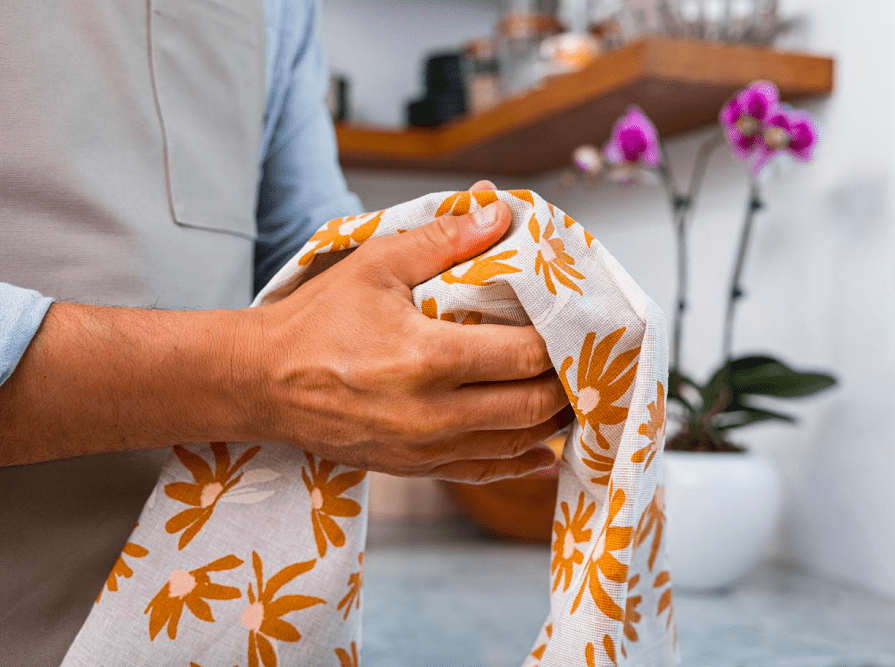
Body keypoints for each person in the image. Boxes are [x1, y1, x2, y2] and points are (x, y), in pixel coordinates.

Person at [0, 1, 569, 665]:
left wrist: (459, 309)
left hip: (218, 616)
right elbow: (291, 347)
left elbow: (312, 250)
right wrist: (262, 373)